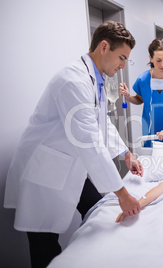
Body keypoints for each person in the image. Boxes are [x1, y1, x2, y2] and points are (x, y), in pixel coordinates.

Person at [3, 21, 143, 268]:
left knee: (99, 211)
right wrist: (122, 193)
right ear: (103, 47)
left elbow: (101, 122)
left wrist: (126, 153)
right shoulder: (73, 81)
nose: (123, 66)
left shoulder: (95, 79)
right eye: (122, 57)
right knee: (45, 247)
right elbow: (89, 140)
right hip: (43, 173)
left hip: (69, 167)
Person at [120, 38, 163, 146]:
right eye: (158, 60)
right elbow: (139, 99)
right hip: (150, 131)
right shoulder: (143, 80)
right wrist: (129, 97)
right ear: (151, 58)